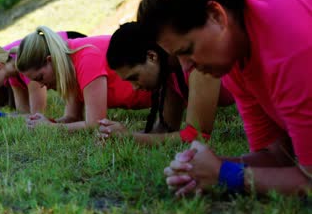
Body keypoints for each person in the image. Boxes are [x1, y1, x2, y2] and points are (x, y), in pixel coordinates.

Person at [137, 0, 312, 196]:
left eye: (187, 50)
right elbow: (276, 156)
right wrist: (202, 169)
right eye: (178, 57)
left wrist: (224, 175)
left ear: (216, 16)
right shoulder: (234, 58)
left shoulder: (287, 35)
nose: (186, 68)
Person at [98, 22, 234, 145]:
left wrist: (130, 137)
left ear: (152, 56)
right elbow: (165, 130)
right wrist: (117, 135)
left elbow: (197, 135)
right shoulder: (169, 73)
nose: (134, 87)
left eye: (135, 77)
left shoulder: (195, 62)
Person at [15, 26, 153, 131]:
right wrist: (48, 122)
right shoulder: (67, 64)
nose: (41, 86)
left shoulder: (85, 58)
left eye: (40, 77)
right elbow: (73, 117)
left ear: (50, 60)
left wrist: (51, 128)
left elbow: (95, 124)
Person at [0, 31, 87, 115]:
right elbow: (24, 113)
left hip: (81, 48)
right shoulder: (11, 72)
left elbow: (37, 114)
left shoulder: (27, 66)